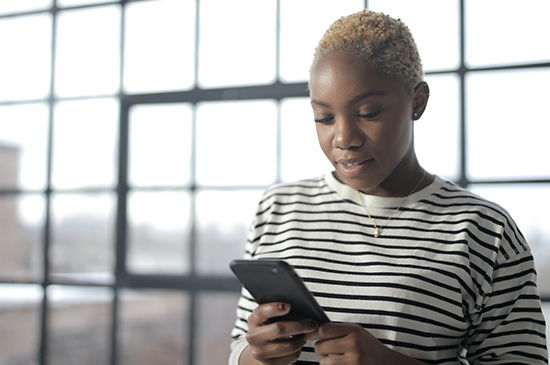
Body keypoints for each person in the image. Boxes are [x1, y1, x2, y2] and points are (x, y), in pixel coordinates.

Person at [229, 9, 548, 365]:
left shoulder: (484, 230)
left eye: (367, 113)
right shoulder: (279, 206)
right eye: (324, 117)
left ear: (417, 102)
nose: (343, 139)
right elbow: (239, 346)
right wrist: (257, 356)